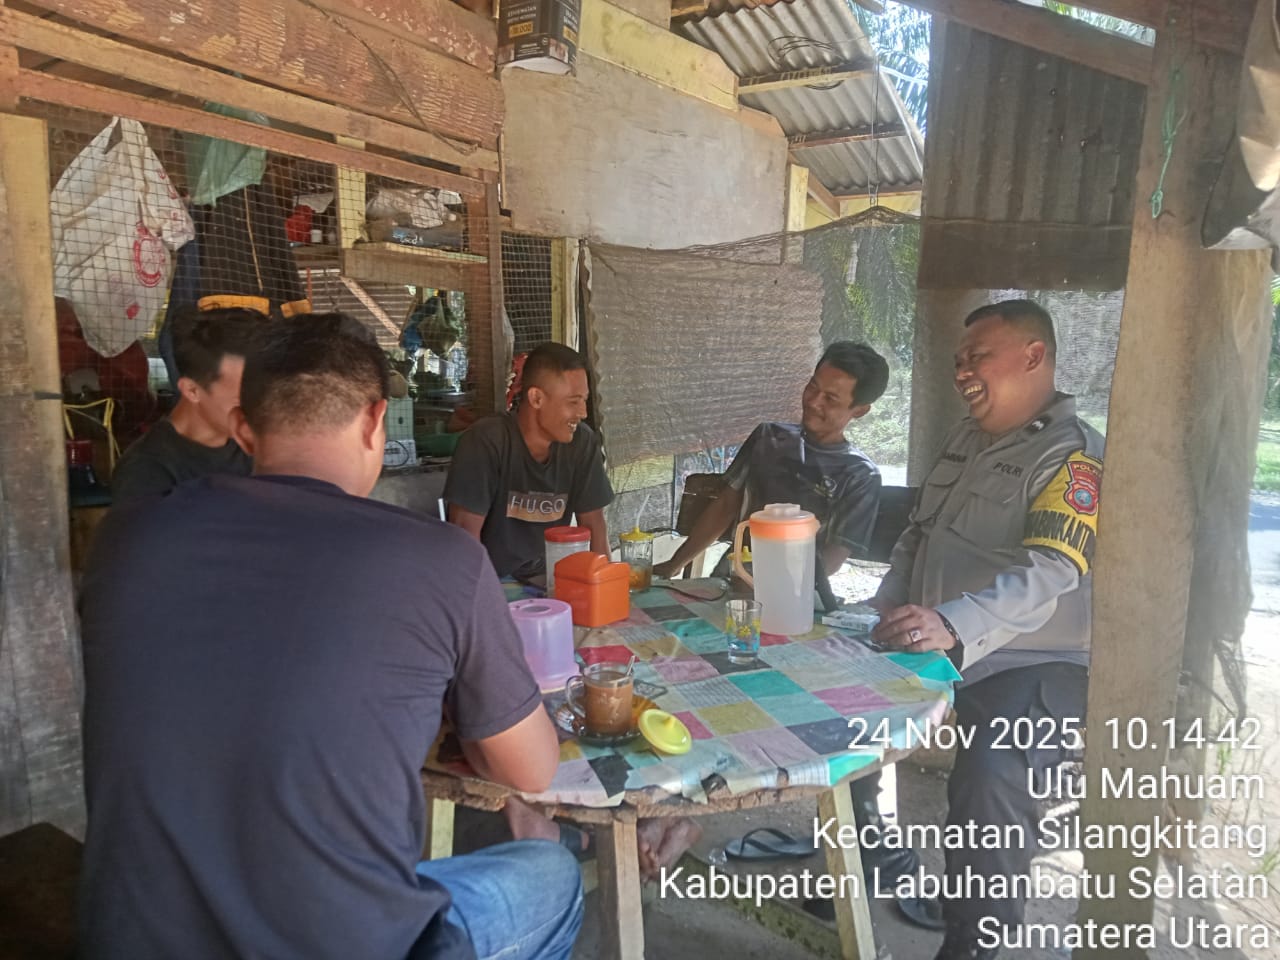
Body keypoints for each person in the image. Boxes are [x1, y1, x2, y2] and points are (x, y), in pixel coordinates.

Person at [78, 314, 583, 960]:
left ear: (243, 429)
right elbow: (531, 769)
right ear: (376, 421)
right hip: (347, 944)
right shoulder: (442, 561)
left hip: (130, 941)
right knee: (552, 874)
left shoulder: (125, 539)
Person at [870, 299, 1103, 960]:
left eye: (979, 357)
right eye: (959, 360)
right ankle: (862, 868)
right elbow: (917, 537)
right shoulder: (966, 440)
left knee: (994, 775)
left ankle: (974, 944)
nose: (962, 371)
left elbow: (1051, 570)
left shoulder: (1073, 456)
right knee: (843, 711)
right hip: (938, 642)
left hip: (1031, 661)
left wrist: (951, 622)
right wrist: (884, 609)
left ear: (1034, 356)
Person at [655, 341, 890, 582]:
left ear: (859, 410)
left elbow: (833, 557)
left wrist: (775, 588)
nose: (813, 401)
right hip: (733, 576)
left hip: (795, 587)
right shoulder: (769, 438)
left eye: (830, 398)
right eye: (812, 386)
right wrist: (673, 565)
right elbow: (725, 506)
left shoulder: (858, 474)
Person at [444, 341, 612, 579]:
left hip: (553, 579)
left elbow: (594, 525)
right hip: (492, 581)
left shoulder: (582, 443)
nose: (583, 413)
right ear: (536, 398)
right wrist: (484, 597)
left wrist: (604, 585)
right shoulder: (486, 442)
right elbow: (465, 537)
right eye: (573, 402)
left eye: (584, 400)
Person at [110, 306, 261, 502]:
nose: (262, 408)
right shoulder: (147, 472)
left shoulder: (260, 448)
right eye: (244, 397)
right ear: (192, 391)